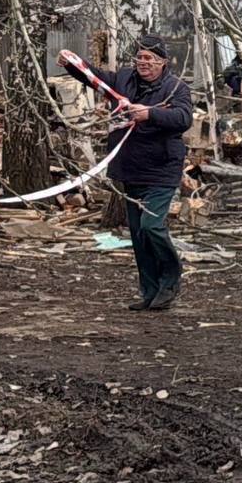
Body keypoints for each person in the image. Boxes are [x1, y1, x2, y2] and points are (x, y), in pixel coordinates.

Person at [98, 34, 194, 311]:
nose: (143, 63)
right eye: (139, 57)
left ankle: (171, 280)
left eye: (149, 58)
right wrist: (72, 64)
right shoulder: (125, 79)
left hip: (162, 169)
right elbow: (98, 79)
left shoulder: (176, 88)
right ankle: (150, 292)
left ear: (162, 62)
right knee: (139, 234)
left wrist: (149, 114)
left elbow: (183, 118)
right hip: (131, 168)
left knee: (152, 227)